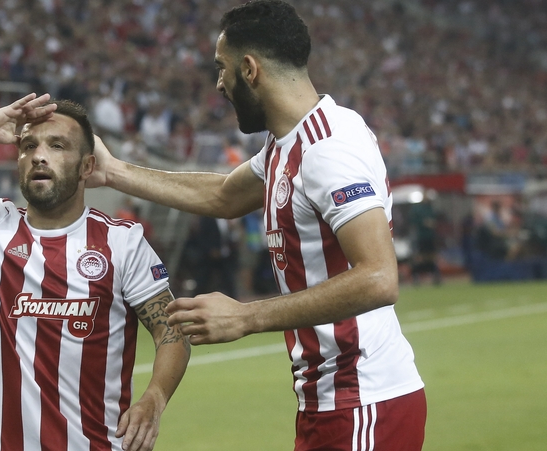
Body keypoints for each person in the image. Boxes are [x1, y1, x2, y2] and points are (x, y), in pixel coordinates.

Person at [87, 1, 426, 450]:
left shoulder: (328, 149)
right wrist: (115, 173)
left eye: (221, 69)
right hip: (330, 403)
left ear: (249, 69)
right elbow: (224, 195)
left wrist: (248, 316)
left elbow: (380, 278)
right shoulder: (287, 144)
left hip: (364, 401)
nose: (218, 84)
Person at [0, 93, 189, 451]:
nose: (39, 155)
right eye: (28, 145)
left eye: (58, 145)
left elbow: (171, 330)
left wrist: (154, 399)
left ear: (87, 167)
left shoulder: (122, 242)